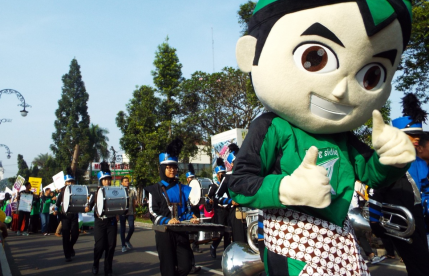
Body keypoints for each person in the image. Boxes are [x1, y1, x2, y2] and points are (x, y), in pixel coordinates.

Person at [227, 0, 415, 275]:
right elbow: (239, 184)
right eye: (315, 57)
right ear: (251, 53)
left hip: (342, 242)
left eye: (371, 75)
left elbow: (370, 174)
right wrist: (285, 188)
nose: (341, 91)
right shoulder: (272, 127)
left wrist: (390, 161)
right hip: (293, 247)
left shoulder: (343, 136)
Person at [369, 95, 429, 276]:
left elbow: (424, 190)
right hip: (401, 222)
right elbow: (376, 190)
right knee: (419, 266)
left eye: (418, 135)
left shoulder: (419, 162)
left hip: (419, 218)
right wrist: (374, 221)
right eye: (412, 136)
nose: (417, 140)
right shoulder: (388, 160)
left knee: (421, 266)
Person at [145, 138, 200, 276]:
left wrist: (191, 217)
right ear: (163, 168)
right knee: (168, 270)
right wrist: (167, 220)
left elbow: (186, 210)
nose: (172, 170)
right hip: (164, 233)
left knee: (186, 266)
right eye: (168, 167)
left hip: (181, 231)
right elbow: (152, 212)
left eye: (174, 167)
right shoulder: (155, 189)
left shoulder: (183, 188)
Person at [86, 162, 118, 276]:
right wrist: (86, 207)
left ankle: (108, 268)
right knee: (99, 246)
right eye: (105, 180)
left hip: (112, 222)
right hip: (100, 222)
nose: (107, 182)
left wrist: (119, 213)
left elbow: (120, 205)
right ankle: (95, 264)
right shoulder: (96, 194)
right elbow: (88, 206)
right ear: (101, 181)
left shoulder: (115, 193)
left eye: (109, 179)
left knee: (111, 245)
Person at [54, 168, 79, 262]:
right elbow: (57, 204)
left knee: (75, 234)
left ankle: (70, 246)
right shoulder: (62, 192)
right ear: (65, 183)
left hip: (74, 215)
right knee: (65, 236)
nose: (70, 183)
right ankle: (67, 255)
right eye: (68, 182)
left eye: (72, 182)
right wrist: (56, 211)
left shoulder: (77, 191)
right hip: (65, 216)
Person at [119, 176, 137, 253]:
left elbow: (133, 202)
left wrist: (135, 212)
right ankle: (123, 245)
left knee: (132, 227)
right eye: (125, 181)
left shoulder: (132, 191)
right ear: (122, 183)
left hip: (130, 212)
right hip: (122, 212)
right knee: (122, 229)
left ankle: (127, 240)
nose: (127, 182)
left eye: (128, 181)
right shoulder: (119, 191)